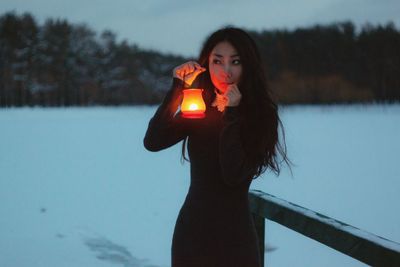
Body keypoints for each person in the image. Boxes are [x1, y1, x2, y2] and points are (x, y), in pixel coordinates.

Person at [144, 26, 289, 267]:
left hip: (236, 240)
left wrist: (232, 113)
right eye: (217, 61)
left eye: (235, 61)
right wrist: (178, 89)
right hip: (192, 235)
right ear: (206, 64)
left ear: (248, 65)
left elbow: (233, 175)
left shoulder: (260, 114)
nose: (226, 71)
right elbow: (153, 141)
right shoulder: (199, 108)